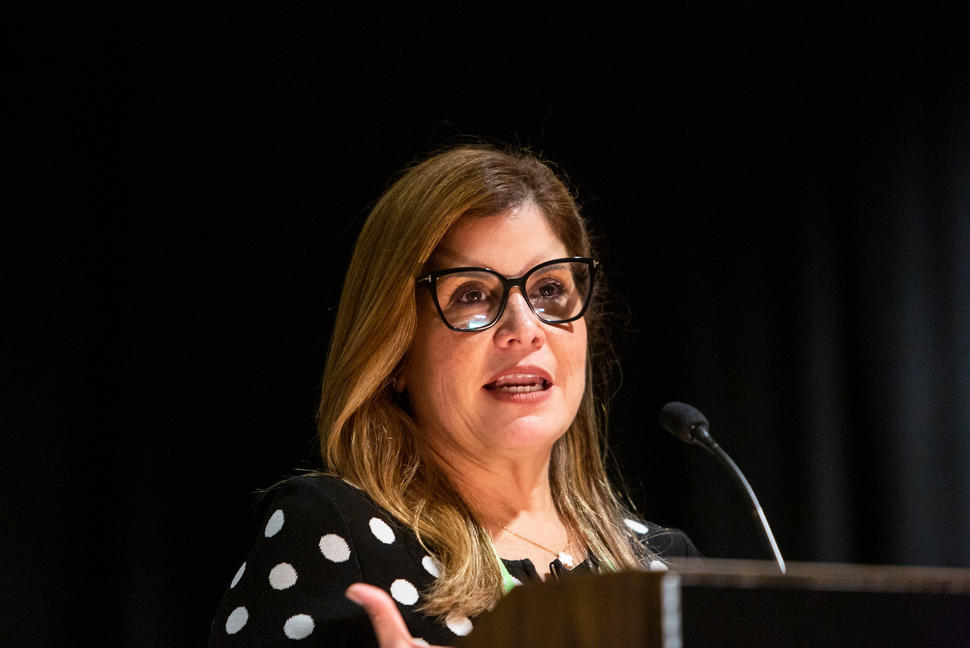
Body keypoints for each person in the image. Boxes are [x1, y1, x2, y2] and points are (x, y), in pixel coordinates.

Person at [208, 144, 700, 647]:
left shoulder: (670, 566)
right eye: (471, 294)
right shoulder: (336, 533)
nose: (524, 328)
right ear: (396, 350)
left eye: (550, 289)